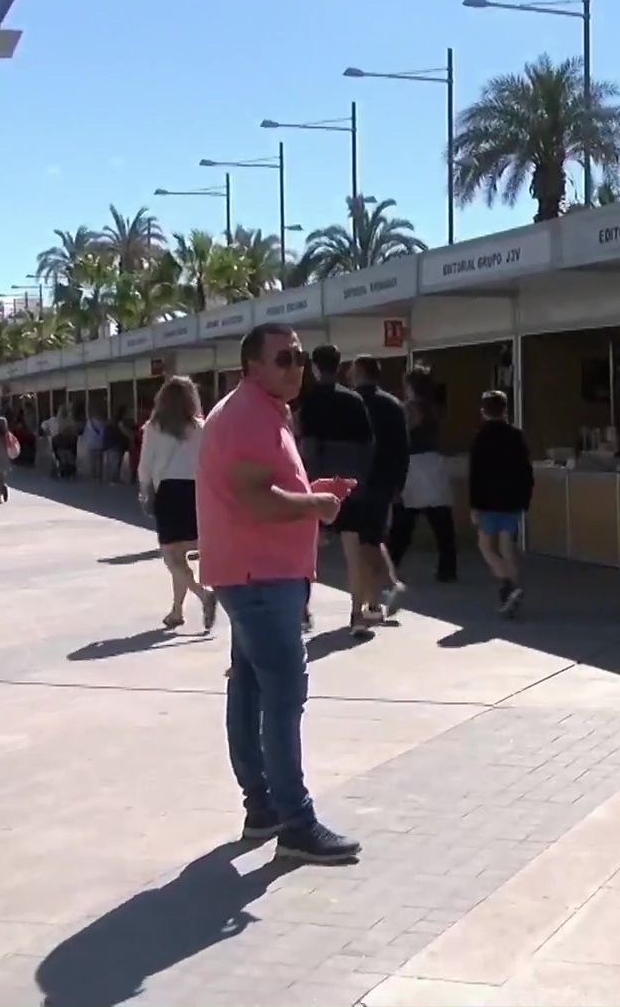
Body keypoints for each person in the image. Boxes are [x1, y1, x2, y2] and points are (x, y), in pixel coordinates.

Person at [196, 322, 360, 863]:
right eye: (285, 358)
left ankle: (263, 807)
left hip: (256, 575)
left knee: (249, 690)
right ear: (253, 366)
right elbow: (255, 500)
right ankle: (295, 821)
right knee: (284, 696)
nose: (297, 367)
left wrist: (312, 493)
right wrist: (316, 507)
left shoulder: (262, 411)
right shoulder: (247, 414)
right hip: (259, 578)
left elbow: (265, 492)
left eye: (300, 357)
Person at [295, 345, 374, 634]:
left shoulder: (309, 400)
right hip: (351, 485)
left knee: (304, 554)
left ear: (315, 367)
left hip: (317, 486)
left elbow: (308, 447)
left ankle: (302, 612)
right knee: (354, 554)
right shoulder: (354, 400)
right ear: (340, 366)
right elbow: (368, 446)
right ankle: (357, 614)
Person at [139, 377, 217, 632]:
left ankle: (203, 595)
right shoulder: (201, 427)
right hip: (196, 491)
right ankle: (176, 611)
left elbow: (146, 465)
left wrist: (145, 491)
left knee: (172, 556)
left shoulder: (154, 427)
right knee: (182, 555)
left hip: (169, 492)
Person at [340, 355, 410, 635]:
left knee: (361, 545)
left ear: (359, 374)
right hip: (383, 482)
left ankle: (388, 588)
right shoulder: (393, 405)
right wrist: (398, 484)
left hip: (357, 482)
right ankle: (375, 602)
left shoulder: (351, 404)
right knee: (373, 538)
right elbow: (402, 448)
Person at [387, 365, 457, 584]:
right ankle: (448, 568)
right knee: (441, 521)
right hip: (433, 462)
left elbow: (402, 433)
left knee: (403, 522)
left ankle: (389, 564)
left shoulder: (410, 408)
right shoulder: (435, 407)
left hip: (413, 464)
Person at [467, 389, 533, 617]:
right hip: (512, 500)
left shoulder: (481, 436)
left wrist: (474, 504)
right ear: (505, 409)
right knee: (507, 547)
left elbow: (476, 473)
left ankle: (509, 584)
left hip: (488, 501)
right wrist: (525, 498)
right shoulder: (516, 435)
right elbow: (526, 470)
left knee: (486, 545)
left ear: (483, 411)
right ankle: (511, 591)